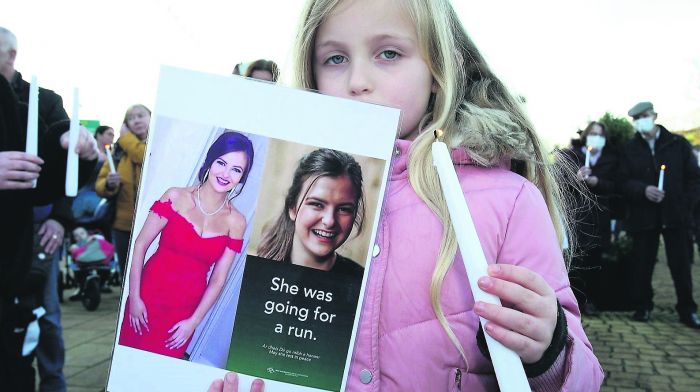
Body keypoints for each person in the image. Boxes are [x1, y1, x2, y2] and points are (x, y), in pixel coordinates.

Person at [212, 0, 603, 390]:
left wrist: (547, 350)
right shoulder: (270, 245)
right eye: (334, 58)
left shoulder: (509, 200)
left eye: (388, 53)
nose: (357, 80)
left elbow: (581, 376)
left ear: (436, 69)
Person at [1, 27, 97, 391]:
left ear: (11, 55)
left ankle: (53, 382)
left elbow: (63, 164)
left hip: (29, 235)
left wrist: (60, 216)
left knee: (42, 318)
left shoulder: (40, 102)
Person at [119, 132, 254, 359]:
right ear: (210, 162)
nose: (226, 174)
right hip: (146, 301)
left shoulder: (236, 221)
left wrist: (193, 322)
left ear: (242, 177)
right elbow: (141, 244)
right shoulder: (175, 196)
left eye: (236, 169)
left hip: (184, 313)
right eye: (221, 163)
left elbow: (218, 279)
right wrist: (134, 298)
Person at [618, 101, 700, 328]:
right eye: (636, 118)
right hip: (645, 217)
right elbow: (622, 181)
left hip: (676, 216)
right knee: (642, 263)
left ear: (654, 115)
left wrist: (684, 205)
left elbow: (694, 178)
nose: (640, 121)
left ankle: (687, 309)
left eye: (644, 116)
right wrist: (642, 189)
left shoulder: (677, 144)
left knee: (681, 264)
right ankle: (643, 306)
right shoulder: (630, 148)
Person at [257, 148, 365, 279]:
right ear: (292, 207)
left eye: (344, 209)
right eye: (317, 204)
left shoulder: (362, 282)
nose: (329, 221)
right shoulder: (256, 272)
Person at [560, 121, 618, 316]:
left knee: (596, 260)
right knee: (576, 261)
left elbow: (617, 186)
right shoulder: (570, 155)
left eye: (600, 134)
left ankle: (592, 300)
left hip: (599, 217)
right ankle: (574, 300)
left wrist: (597, 181)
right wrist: (574, 178)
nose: (596, 137)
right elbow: (558, 181)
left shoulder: (610, 159)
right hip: (577, 216)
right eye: (593, 133)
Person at [95, 105, 151, 277]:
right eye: (131, 118)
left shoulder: (160, 144)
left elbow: (145, 157)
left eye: (140, 115)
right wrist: (110, 184)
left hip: (152, 223)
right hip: (123, 225)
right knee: (127, 275)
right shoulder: (118, 152)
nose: (136, 120)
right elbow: (100, 184)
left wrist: (126, 138)